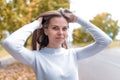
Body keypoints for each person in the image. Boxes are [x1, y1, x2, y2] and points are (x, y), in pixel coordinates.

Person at [2, 8, 112, 80]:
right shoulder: (36, 58)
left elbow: (105, 41)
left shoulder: (73, 55)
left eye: (64, 28)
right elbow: (9, 43)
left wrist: (77, 19)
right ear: (45, 30)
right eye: (55, 28)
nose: (61, 33)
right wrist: (36, 24)